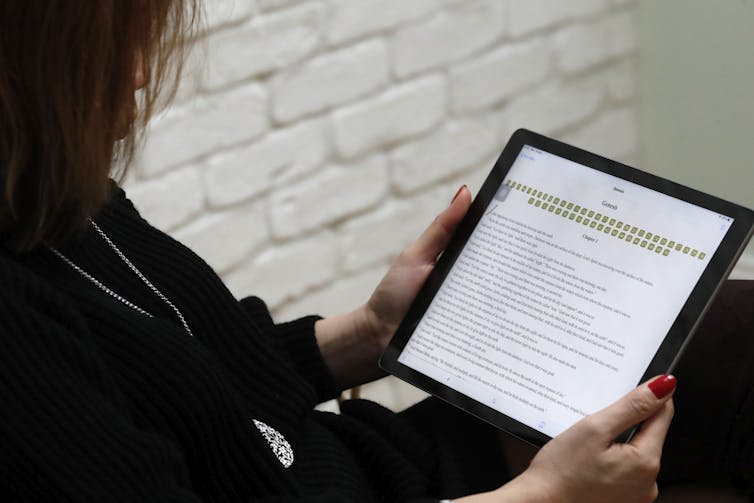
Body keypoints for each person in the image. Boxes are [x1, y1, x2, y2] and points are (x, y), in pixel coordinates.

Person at [0, 2, 750, 502]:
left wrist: (373, 331)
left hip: (360, 464)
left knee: (729, 330)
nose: (137, 72)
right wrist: (542, 495)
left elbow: (201, 366)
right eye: (109, 49)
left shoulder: (52, 192)